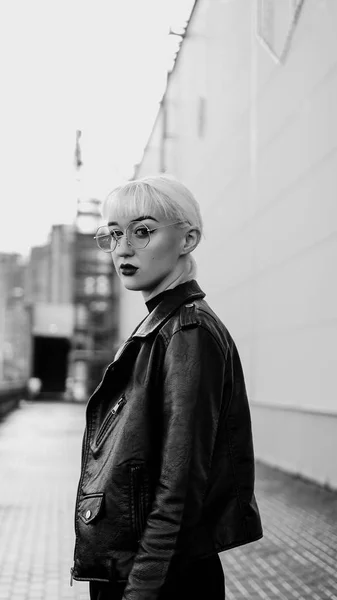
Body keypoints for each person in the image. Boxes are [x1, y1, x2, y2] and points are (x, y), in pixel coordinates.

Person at [71, 174, 263, 600]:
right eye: (114, 234)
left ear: (187, 238)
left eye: (143, 231)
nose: (123, 248)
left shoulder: (185, 330)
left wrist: (143, 586)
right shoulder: (161, 326)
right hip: (138, 568)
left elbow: (180, 481)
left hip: (159, 580)